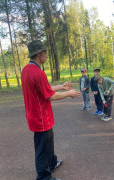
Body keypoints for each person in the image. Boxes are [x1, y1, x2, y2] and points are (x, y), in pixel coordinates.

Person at [21, 40, 81, 180]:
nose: (47, 56)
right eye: (45, 53)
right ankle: (43, 177)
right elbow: (50, 97)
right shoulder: (38, 73)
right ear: (39, 54)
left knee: (48, 142)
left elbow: (44, 90)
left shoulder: (26, 70)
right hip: (41, 117)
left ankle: (52, 163)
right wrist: (69, 93)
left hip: (34, 115)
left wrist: (62, 86)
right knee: (43, 148)